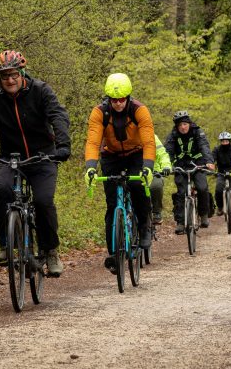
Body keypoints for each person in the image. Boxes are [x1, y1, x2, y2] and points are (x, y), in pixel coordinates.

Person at [0, 50, 70, 275]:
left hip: (43, 156)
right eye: (4, 76)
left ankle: (50, 251)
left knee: (42, 200)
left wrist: (62, 146)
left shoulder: (41, 91)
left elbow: (57, 115)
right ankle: (6, 245)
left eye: (13, 75)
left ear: (22, 73)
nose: (10, 80)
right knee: (3, 189)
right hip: (10, 157)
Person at [84, 73, 155, 273]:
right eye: (113, 100)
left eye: (121, 99)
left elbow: (149, 142)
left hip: (136, 154)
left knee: (136, 185)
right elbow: (93, 142)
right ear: (108, 98)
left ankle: (144, 227)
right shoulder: (99, 113)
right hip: (111, 156)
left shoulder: (140, 110)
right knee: (112, 204)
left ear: (128, 97)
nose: (117, 103)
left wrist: (148, 167)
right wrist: (90, 166)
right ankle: (114, 254)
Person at [165, 110, 215, 234]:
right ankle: (181, 222)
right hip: (180, 166)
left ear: (189, 123)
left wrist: (209, 161)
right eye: (180, 125)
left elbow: (204, 146)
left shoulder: (198, 131)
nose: (183, 127)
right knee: (181, 193)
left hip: (197, 163)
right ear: (177, 126)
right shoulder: (173, 135)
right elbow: (168, 151)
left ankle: (203, 214)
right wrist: (166, 165)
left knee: (202, 188)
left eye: (185, 124)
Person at [212, 132, 231, 219]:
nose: (225, 143)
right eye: (223, 141)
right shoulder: (217, 149)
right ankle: (220, 207)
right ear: (220, 141)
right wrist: (211, 165)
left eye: (226, 141)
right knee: (218, 189)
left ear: (229, 141)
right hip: (221, 173)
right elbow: (212, 158)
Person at [150, 134, 172, 225]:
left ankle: (156, 212)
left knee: (156, 186)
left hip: (154, 171)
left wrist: (166, 166)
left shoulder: (152, 136)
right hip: (133, 172)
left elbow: (162, 153)